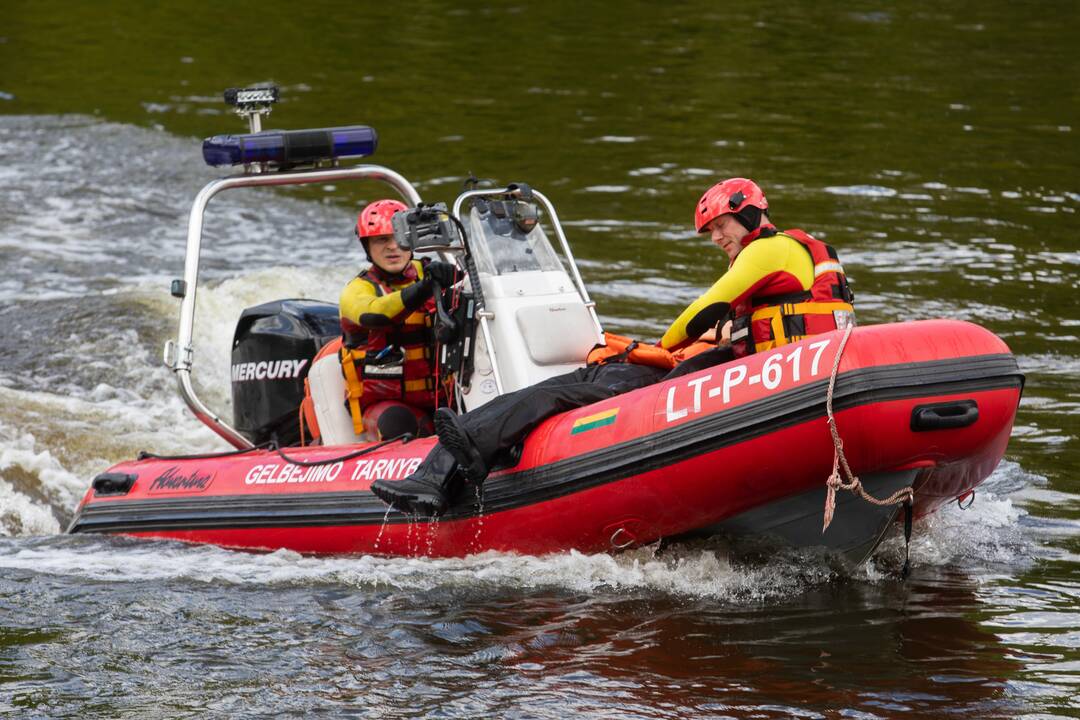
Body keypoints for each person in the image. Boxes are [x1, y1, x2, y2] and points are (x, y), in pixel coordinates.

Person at [370, 178, 856, 515]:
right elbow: (729, 326)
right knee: (576, 384)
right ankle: (454, 464)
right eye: (711, 231)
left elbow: (701, 314)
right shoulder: (790, 263)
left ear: (750, 214)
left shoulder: (768, 249)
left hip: (738, 379)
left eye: (721, 226)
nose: (716, 238)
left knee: (567, 389)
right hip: (755, 376)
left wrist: (663, 345)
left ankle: (457, 461)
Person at [338, 199, 458, 441]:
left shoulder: (430, 271)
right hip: (388, 406)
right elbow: (376, 313)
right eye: (381, 240)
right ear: (367, 246)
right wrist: (424, 288)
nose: (393, 246)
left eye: (399, 237)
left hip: (446, 397)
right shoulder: (357, 290)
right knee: (397, 423)